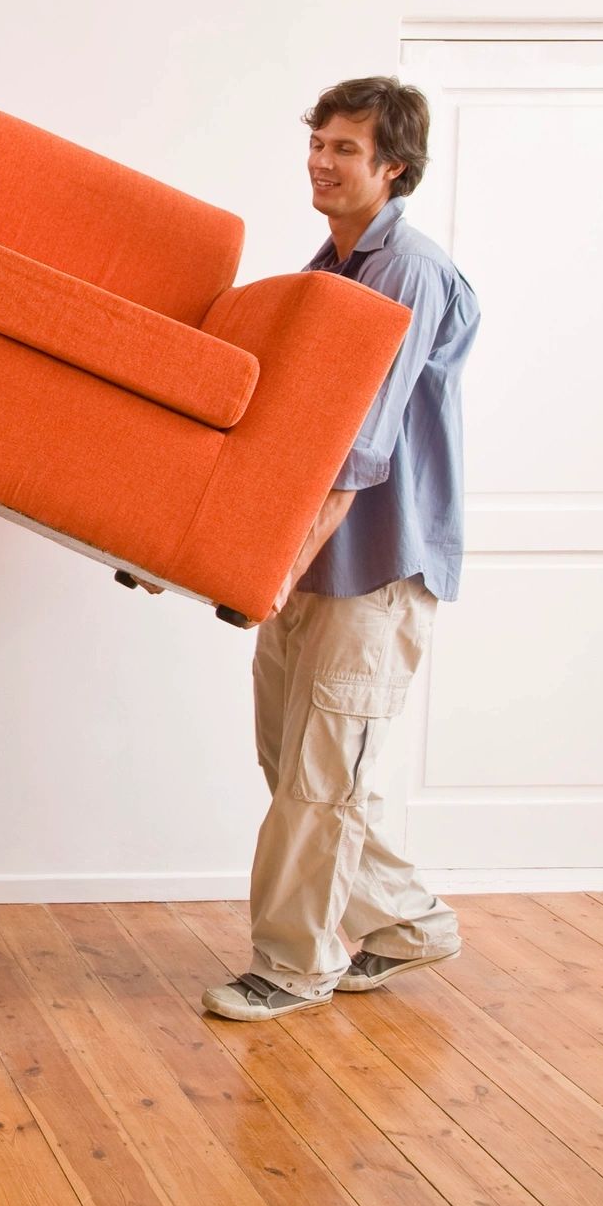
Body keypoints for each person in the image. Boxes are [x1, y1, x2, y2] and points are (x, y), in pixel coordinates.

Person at [204, 77, 480, 1021]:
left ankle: (296, 964)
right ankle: (410, 925)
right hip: (320, 557)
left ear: (392, 168)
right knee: (297, 767)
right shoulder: (331, 265)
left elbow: (362, 445)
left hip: (376, 562)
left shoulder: (407, 271)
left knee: (322, 780)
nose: (321, 162)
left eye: (345, 150)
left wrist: (275, 565)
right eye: (316, 143)